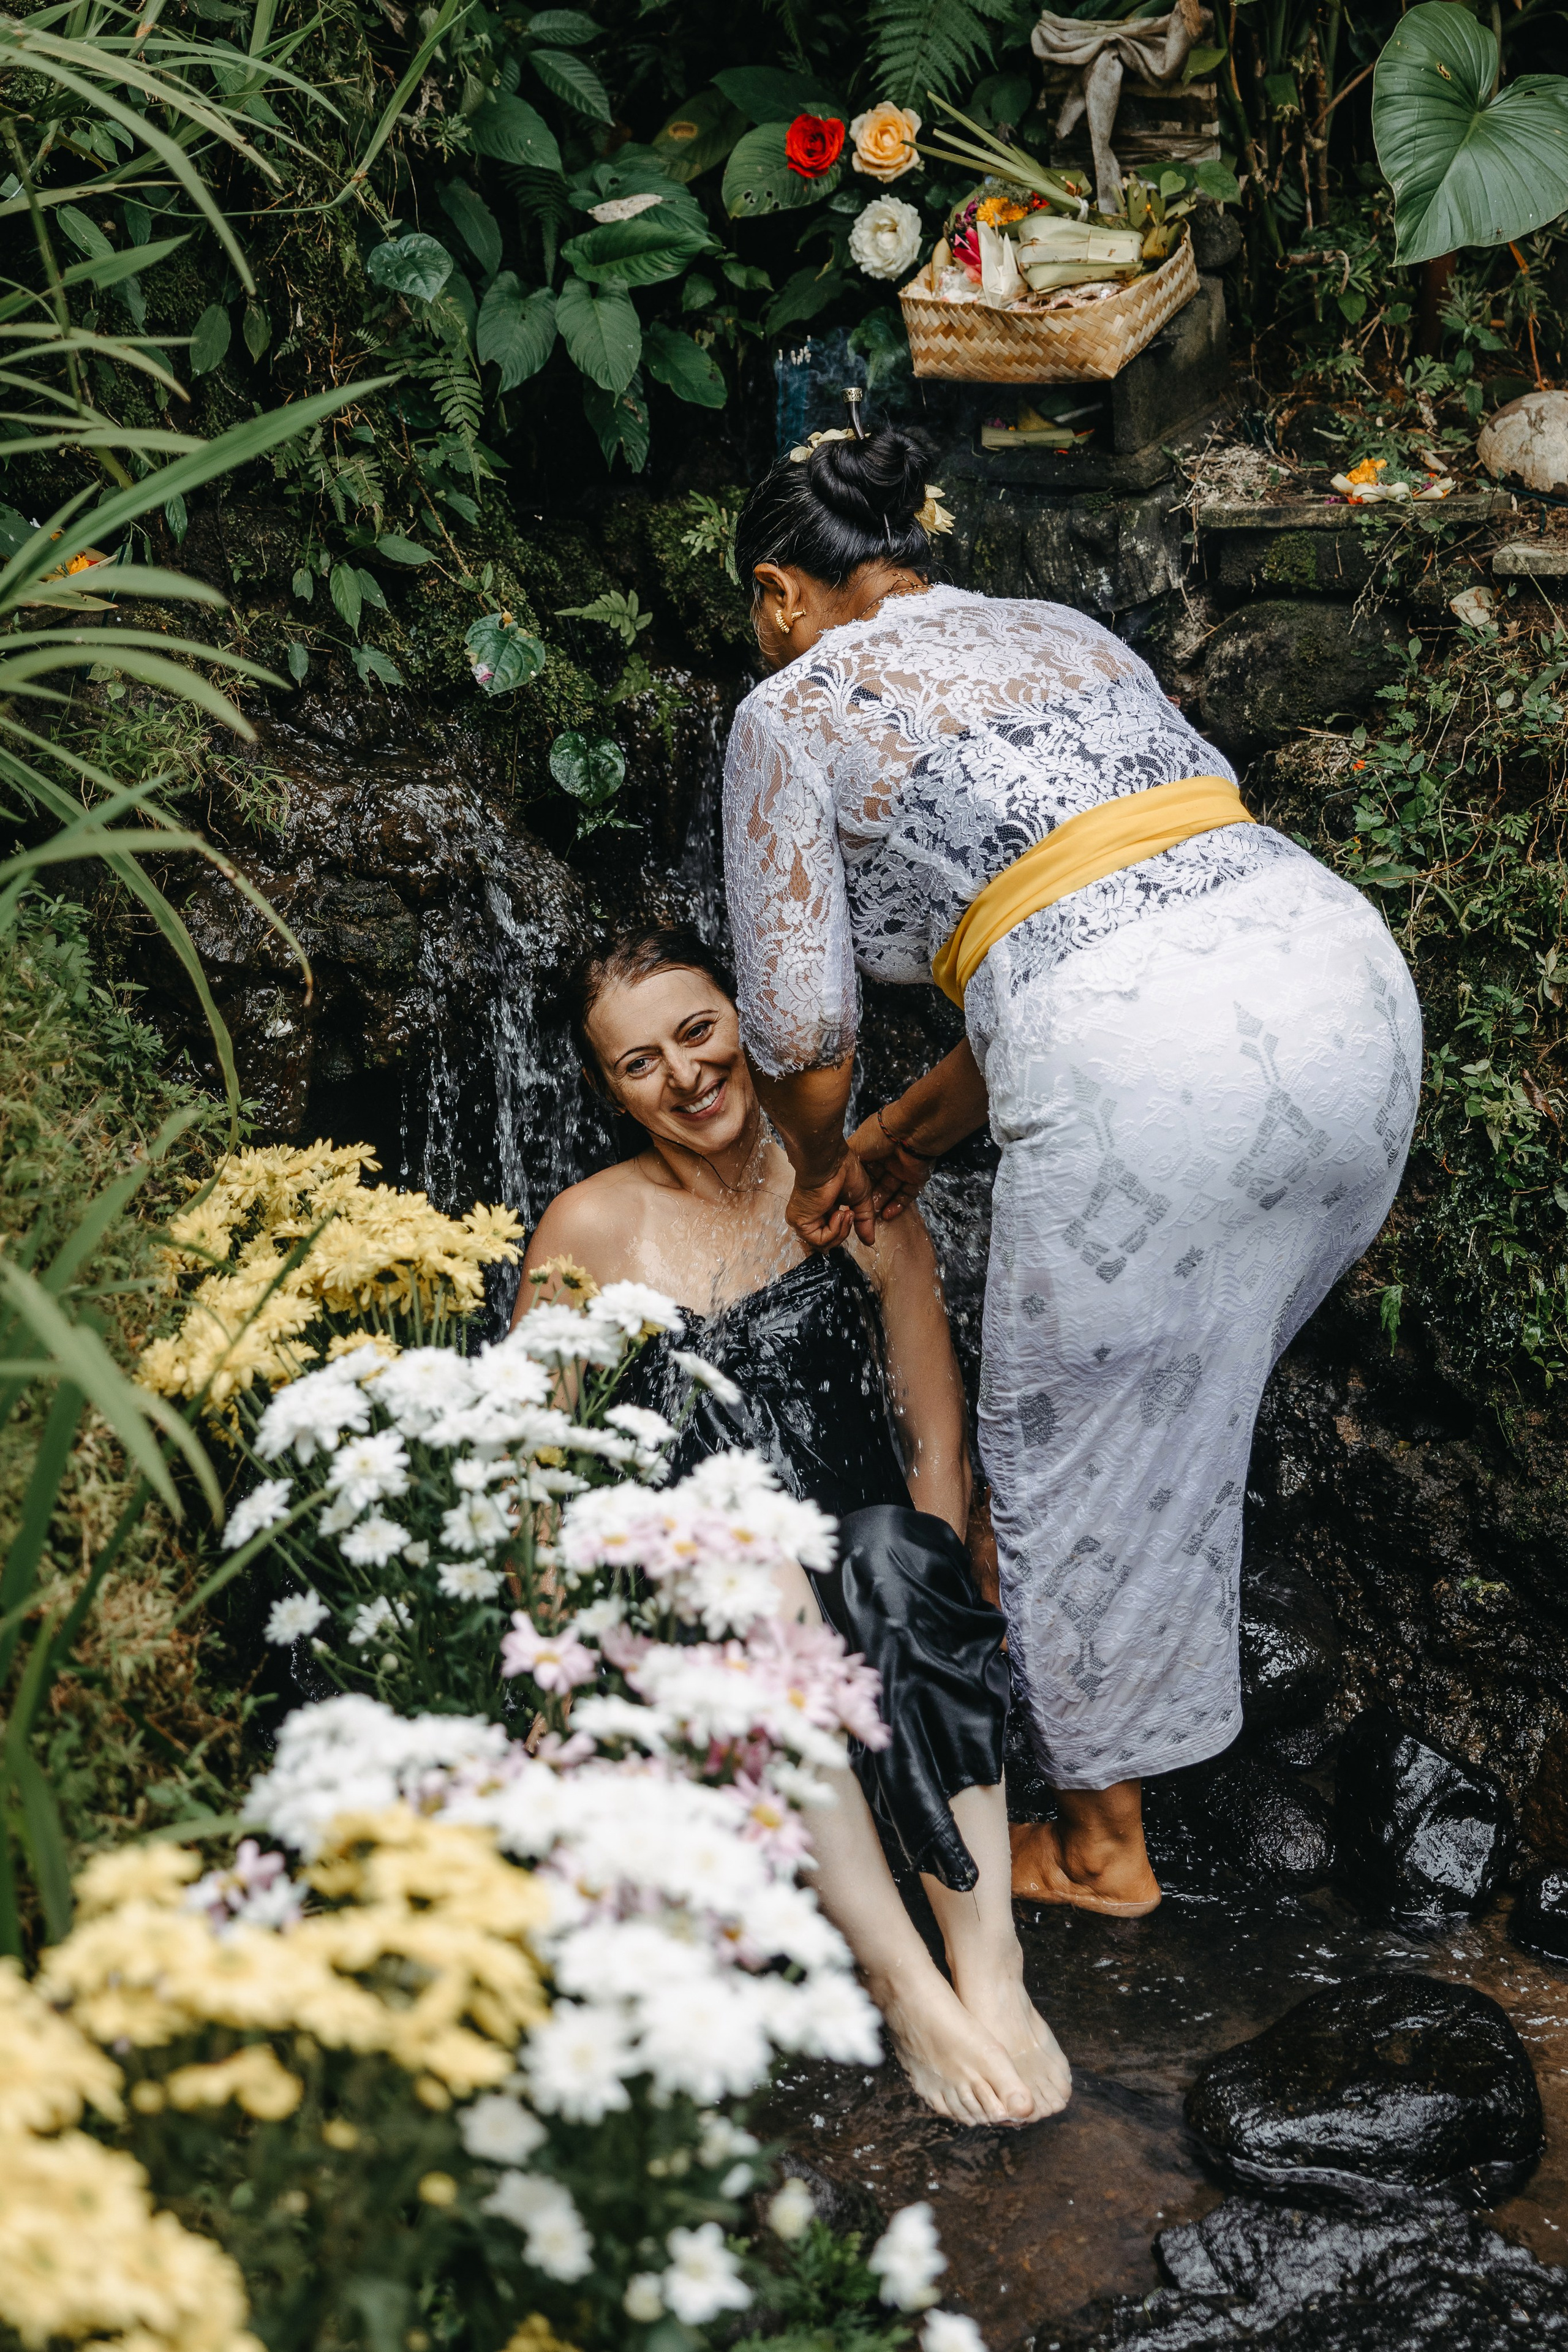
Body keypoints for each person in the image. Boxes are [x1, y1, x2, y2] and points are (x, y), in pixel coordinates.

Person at [720, 410, 1422, 1921]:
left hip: (1141, 1068)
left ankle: (1103, 1850)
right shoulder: (1062, 631)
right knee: (1161, 1400)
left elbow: (799, 1032)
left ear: (780, 595)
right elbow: (1080, 917)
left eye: (753, 614)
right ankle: (1114, 1715)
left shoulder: (792, 704)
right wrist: (908, 1149)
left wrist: (822, 1156)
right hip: (1343, 998)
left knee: (1053, 1452)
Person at [516, 924, 1071, 2128]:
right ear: (609, 1089)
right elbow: (536, 1480)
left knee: (886, 1548)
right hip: (709, 1613)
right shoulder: (586, 1233)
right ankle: (900, 1980)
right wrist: (556, 1691)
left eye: (698, 1031)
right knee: (761, 1569)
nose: (684, 1074)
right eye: (638, 1062)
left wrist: (929, 1616)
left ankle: (989, 1965)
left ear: (746, 1026)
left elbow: (932, 1431)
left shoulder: (851, 1186)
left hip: (864, 1580)